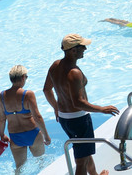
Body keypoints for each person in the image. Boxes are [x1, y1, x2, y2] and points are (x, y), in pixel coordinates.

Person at [43, 34, 119, 175]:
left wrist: (56, 108)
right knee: (81, 161)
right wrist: (102, 109)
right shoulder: (74, 73)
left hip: (65, 119)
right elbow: (78, 103)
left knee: (84, 152)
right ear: (73, 50)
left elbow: (46, 90)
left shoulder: (55, 66)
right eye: (82, 46)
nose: (85, 48)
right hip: (78, 120)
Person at [0, 65, 50, 172]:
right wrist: (46, 135)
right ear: (23, 77)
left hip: (15, 137)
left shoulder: (3, 95)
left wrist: (2, 134)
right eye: (26, 77)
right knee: (42, 164)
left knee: (19, 169)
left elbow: (2, 118)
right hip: (33, 134)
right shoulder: (28, 94)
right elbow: (37, 117)